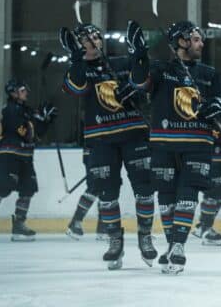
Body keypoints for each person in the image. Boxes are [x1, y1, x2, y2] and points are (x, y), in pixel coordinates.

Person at [127, 20, 221, 274]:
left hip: (197, 143)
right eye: (195, 39)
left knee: (188, 193)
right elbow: (139, 83)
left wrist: (215, 106)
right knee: (167, 197)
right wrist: (139, 54)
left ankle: (179, 246)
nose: (201, 42)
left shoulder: (208, 73)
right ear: (181, 42)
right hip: (164, 143)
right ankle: (172, 244)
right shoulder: (160, 69)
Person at [60, 23, 156, 270]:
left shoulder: (122, 63)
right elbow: (74, 88)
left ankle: (145, 236)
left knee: (144, 190)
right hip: (100, 139)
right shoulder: (78, 69)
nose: (91, 40)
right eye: (84, 38)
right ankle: (115, 241)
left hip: (133, 135)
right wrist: (77, 58)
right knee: (107, 194)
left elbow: (145, 84)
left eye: (94, 36)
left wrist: (134, 85)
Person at [0, 80, 56, 241]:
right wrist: (39, 120)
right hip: (9, 155)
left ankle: (18, 225)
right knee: (3, 188)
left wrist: (46, 120)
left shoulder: (26, 111)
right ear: (13, 93)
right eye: (23, 90)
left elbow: (37, 135)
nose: (26, 93)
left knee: (28, 189)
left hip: (25, 156)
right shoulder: (10, 110)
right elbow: (26, 133)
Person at [191, 117, 221, 246]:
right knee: (213, 192)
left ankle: (203, 225)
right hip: (210, 156)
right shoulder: (206, 101)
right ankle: (205, 228)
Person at [64, 148, 109, 241]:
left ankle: (102, 228)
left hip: (103, 151)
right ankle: (75, 224)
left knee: (105, 188)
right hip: (96, 150)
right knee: (95, 188)